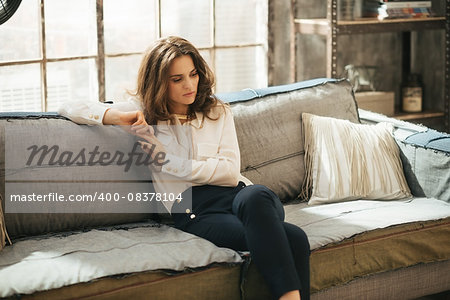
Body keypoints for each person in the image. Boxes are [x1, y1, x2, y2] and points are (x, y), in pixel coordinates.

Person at [58, 36, 310, 300]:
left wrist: (166, 160)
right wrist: (117, 117)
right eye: (177, 79)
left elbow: (228, 173)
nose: (189, 85)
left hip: (241, 196)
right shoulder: (146, 114)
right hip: (194, 209)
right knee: (294, 238)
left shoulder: (217, 111)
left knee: (256, 195)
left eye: (193, 74)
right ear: (158, 83)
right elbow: (68, 107)